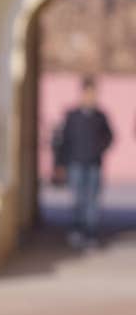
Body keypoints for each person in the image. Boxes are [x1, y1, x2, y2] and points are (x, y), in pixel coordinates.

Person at [55, 76, 113, 249]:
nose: (91, 96)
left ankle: (91, 233)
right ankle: (78, 230)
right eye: (88, 93)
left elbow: (109, 137)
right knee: (78, 199)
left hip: (94, 164)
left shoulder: (100, 116)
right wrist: (60, 164)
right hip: (76, 164)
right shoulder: (72, 116)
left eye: (93, 93)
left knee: (93, 201)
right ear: (82, 93)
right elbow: (63, 141)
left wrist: (98, 149)